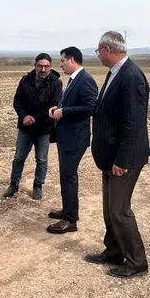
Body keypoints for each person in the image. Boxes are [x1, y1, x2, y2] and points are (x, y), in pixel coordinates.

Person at [87, 31, 150, 279]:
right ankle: (113, 250)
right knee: (108, 208)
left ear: (107, 50)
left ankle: (137, 261)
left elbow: (133, 123)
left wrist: (122, 161)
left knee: (119, 210)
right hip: (109, 156)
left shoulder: (131, 76)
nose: (98, 54)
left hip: (123, 159)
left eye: (98, 50)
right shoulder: (115, 73)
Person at [45, 46, 98, 234]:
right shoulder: (74, 79)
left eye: (62, 61)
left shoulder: (85, 80)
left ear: (72, 60)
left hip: (75, 138)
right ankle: (67, 210)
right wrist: (57, 108)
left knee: (68, 177)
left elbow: (91, 107)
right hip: (67, 137)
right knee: (65, 176)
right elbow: (70, 103)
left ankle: (70, 220)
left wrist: (64, 112)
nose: (60, 65)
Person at [3, 53, 62, 200]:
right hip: (25, 128)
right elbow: (17, 101)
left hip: (44, 129)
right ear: (35, 66)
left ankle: (38, 185)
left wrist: (34, 118)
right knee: (18, 157)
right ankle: (14, 184)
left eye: (46, 66)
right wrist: (24, 116)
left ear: (50, 67)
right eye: (40, 66)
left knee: (41, 159)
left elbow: (54, 105)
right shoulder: (25, 80)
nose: (43, 69)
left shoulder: (56, 83)